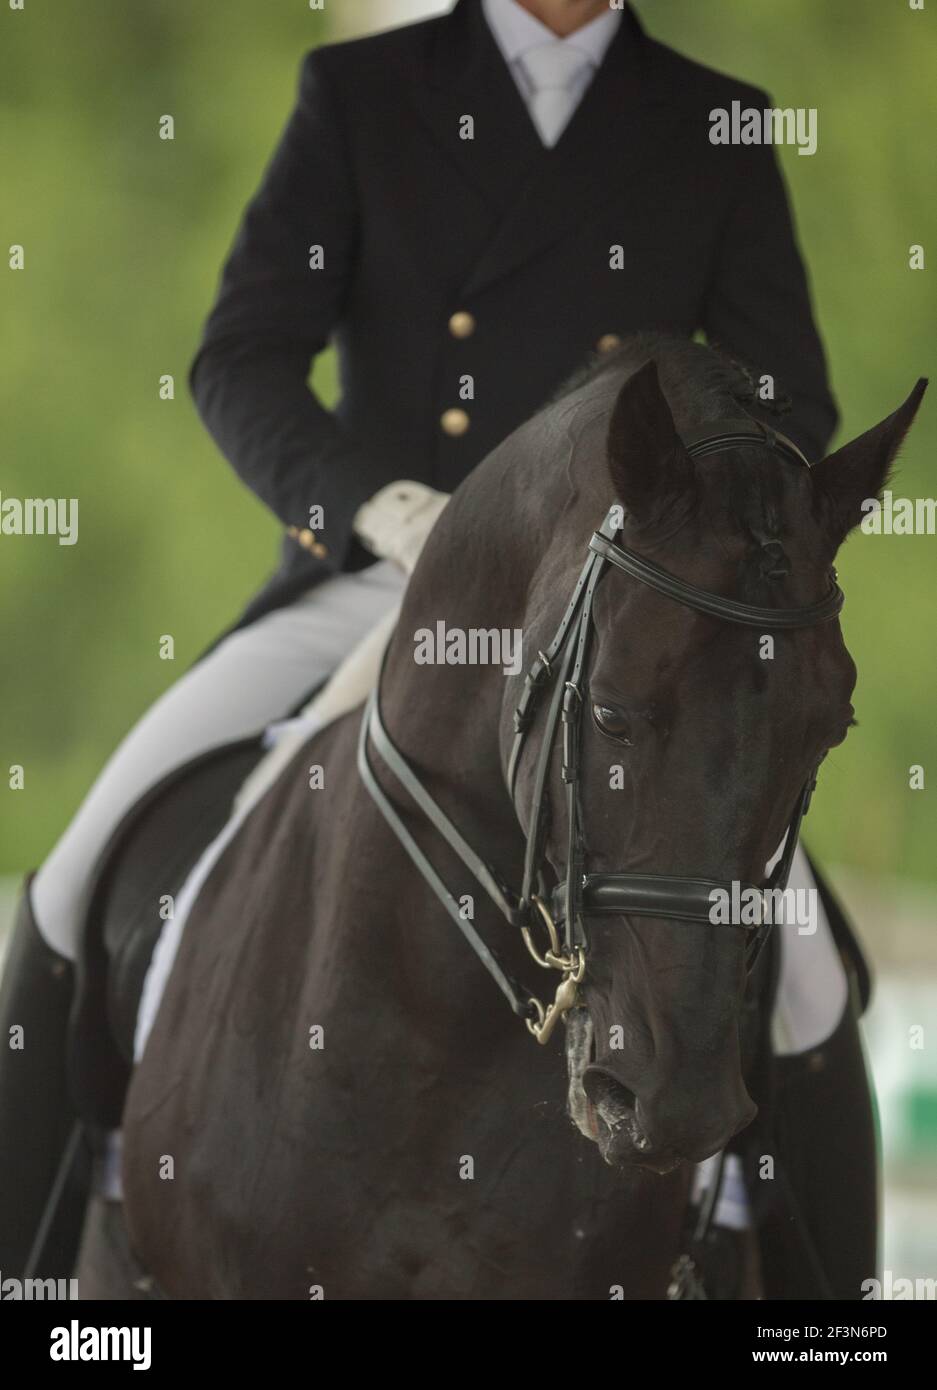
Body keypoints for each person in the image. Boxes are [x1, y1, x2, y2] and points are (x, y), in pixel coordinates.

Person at [0, 0, 872, 1296]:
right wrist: (379, 506)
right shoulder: (358, 94)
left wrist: (694, 472)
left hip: (620, 620)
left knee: (808, 978)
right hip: (384, 576)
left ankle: (829, 1318)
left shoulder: (717, 124)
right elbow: (240, 357)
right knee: (72, 887)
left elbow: (790, 401)